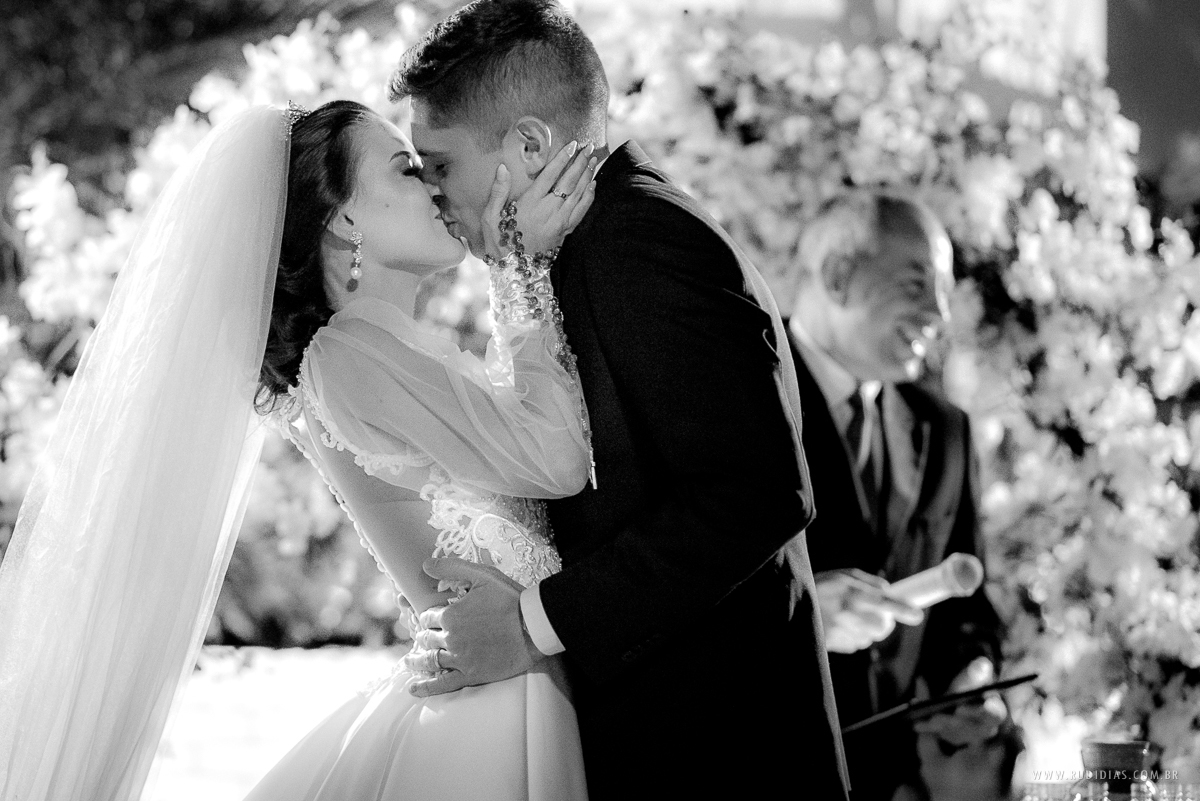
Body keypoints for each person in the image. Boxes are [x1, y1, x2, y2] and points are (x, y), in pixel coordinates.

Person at [0, 98, 602, 800]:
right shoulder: (350, 353)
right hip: (495, 716)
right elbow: (556, 461)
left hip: (508, 686)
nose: (436, 185)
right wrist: (519, 267)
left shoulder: (376, 350)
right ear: (344, 218)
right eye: (407, 169)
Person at [388, 1, 850, 798]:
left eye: (439, 165)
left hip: (721, 754)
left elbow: (754, 494)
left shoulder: (637, 243)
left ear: (529, 144)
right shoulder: (573, 246)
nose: (433, 195)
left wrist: (532, 624)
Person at [781, 191, 1011, 800]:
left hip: (886, 781)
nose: (939, 314)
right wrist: (797, 612)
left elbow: (969, 608)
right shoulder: (733, 388)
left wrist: (972, 676)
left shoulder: (946, 429)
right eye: (918, 285)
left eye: (944, 293)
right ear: (839, 275)